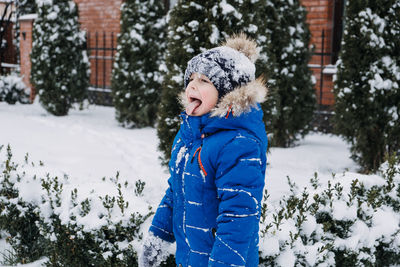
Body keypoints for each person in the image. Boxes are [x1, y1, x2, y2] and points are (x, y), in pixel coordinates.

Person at [139, 33, 268, 267]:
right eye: (191, 78)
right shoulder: (191, 135)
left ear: (228, 93)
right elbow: (176, 193)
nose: (192, 85)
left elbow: (238, 217)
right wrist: (157, 237)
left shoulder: (239, 144)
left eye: (204, 81)